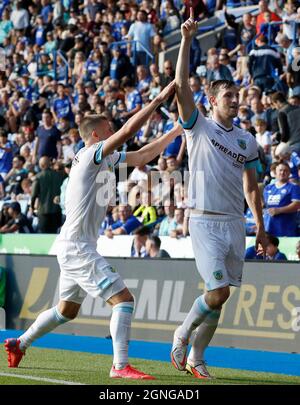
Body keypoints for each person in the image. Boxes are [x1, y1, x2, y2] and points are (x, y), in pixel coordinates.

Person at [4, 81, 183, 380]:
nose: (114, 128)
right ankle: (119, 366)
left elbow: (140, 156)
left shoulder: (104, 157)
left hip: (74, 245)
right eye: (108, 126)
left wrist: (176, 131)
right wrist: (157, 101)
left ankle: (19, 343)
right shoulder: (90, 156)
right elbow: (128, 132)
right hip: (77, 247)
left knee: (66, 311)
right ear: (97, 135)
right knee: (124, 300)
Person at [171, 8, 267, 380]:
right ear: (212, 101)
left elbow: (252, 187)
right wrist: (186, 41)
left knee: (220, 298)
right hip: (203, 221)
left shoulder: (248, 139)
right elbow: (180, 86)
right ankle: (181, 334)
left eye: (236, 94)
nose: (234, 99)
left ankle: (197, 357)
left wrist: (259, 226)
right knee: (219, 293)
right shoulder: (198, 127)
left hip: (234, 223)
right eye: (227, 94)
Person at [263, 162, 300, 237]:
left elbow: (297, 205)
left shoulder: (293, 187)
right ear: (275, 172)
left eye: (285, 170)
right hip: (268, 227)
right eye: (280, 170)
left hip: (285, 229)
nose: (282, 172)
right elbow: (265, 206)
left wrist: (278, 210)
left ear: (289, 173)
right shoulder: (268, 188)